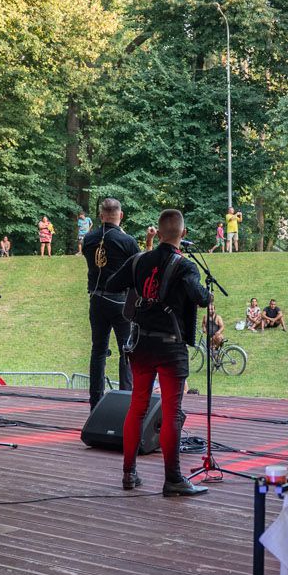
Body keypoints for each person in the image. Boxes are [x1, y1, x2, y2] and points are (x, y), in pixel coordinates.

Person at [106, 209, 210, 496]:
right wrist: (209, 294)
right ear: (183, 234)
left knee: (137, 407)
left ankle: (129, 474)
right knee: (172, 412)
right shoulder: (185, 266)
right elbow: (199, 297)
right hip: (171, 348)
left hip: (141, 345)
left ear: (159, 233)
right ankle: (173, 478)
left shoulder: (139, 260)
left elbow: (113, 284)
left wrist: (139, 289)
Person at [80, 197, 140, 410]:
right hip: (121, 301)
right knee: (126, 351)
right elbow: (138, 267)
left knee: (98, 351)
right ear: (120, 215)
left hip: (97, 299)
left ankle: (95, 402)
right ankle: (126, 402)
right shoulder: (127, 241)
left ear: (100, 215)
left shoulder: (88, 239)